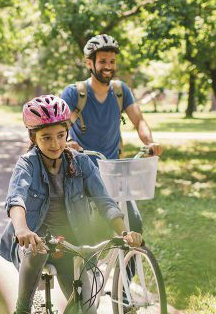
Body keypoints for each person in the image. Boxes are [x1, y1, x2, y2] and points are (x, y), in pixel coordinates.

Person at [0, 95, 143, 314]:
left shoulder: (82, 163)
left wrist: (125, 232)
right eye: (46, 137)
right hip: (36, 241)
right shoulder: (27, 164)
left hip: (70, 245)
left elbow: (104, 201)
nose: (55, 143)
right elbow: (17, 199)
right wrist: (22, 229)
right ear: (33, 138)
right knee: (37, 250)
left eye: (60, 136)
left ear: (67, 133)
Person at [60, 34, 162, 234]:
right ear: (90, 63)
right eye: (103, 61)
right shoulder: (75, 93)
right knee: (86, 230)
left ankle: (128, 264)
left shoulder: (120, 91)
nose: (108, 66)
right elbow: (63, 127)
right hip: (83, 170)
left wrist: (151, 142)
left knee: (133, 224)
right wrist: (69, 141)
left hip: (113, 169)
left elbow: (138, 120)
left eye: (112, 61)